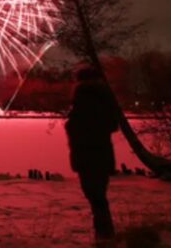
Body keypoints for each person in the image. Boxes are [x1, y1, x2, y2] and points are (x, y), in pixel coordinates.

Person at [65, 66, 120, 244]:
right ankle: (105, 233)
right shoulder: (106, 98)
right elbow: (112, 124)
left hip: (87, 154)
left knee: (95, 196)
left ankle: (104, 235)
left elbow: (76, 126)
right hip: (102, 153)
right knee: (99, 195)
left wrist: (72, 126)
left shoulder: (83, 98)